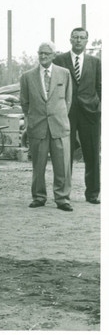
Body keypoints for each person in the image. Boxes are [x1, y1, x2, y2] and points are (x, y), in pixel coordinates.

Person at [20, 41, 73, 211]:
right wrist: (33, 120)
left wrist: (59, 115)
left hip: (59, 126)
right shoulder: (27, 76)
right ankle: (39, 197)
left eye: (47, 54)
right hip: (38, 127)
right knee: (38, 165)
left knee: (62, 165)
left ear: (53, 56)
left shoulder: (64, 74)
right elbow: (25, 103)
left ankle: (62, 198)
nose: (43, 56)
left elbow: (68, 100)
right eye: (40, 53)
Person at [53, 28, 101, 204]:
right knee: (65, 154)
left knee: (93, 153)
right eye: (76, 37)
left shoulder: (95, 62)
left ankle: (93, 193)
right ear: (70, 39)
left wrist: (99, 108)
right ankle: (64, 194)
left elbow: (100, 87)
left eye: (82, 38)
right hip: (67, 112)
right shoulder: (59, 60)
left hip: (90, 114)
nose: (79, 40)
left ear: (87, 40)